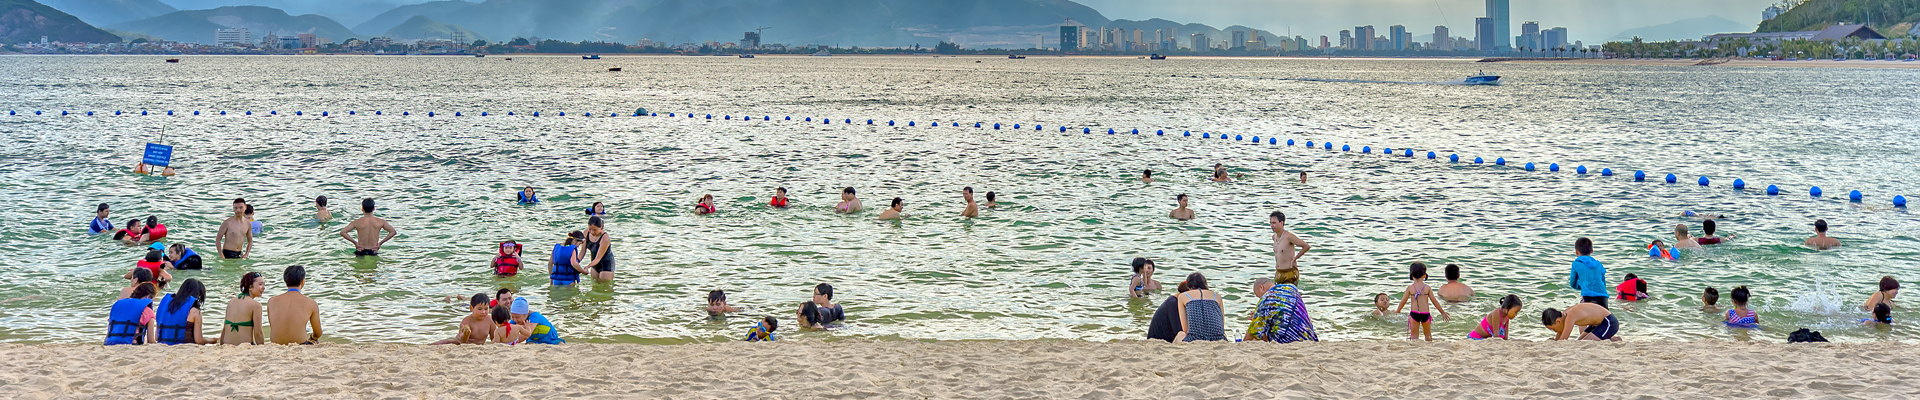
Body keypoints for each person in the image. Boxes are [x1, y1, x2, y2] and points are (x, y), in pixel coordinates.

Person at [1244, 269, 1319, 343]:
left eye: (1258, 296)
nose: (1259, 298)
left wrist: (1257, 317)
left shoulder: (1266, 298)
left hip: (1287, 341)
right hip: (1309, 338)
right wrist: (1261, 317)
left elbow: (1253, 334)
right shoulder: (1291, 289)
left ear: (1261, 287)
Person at [266, 265, 323, 345]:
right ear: (303, 281)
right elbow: (318, 333)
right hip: (300, 344)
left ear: (285, 280)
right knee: (316, 341)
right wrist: (313, 338)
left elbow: (273, 326)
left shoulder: (272, 301)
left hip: (276, 345)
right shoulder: (311, 303)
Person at [1394, 262, 1450, 341]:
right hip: (1425, 314)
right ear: (1424, 275)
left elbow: (1403, 301)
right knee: (1428, 335)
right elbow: (1434, 301)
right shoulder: (1427, 288)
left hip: (1414, 313)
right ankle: (1429, 346)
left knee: (1414, 336)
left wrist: (1398, 311)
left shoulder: (1410, 288)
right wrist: (1442, 312)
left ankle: (1414, 349)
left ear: (1411, 275)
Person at [105, 270, 158, 345]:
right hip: (132, 343)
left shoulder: (118, 306)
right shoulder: (148, 311)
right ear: (148, 297)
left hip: (110, 342)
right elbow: (151, 340)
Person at [1173, 273, 1226, 342]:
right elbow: (1222, 325)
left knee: (1180, 334)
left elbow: (1185, 329)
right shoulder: (1217, 296)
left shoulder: (1183, 296)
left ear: (1188, 285)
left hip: (1194, 339)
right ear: (1205, 284)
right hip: (1218, 338)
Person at [155, 279, 209, 345]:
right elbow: (199, 340)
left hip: (161, 344)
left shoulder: (165, 304)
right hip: (182, 346)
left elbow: (156, 337)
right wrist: (212, 340)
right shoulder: (194, 311)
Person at [219, 272, 266, 345]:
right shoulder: (256, 305)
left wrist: (221, 346)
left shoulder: (231, 302)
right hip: (244, 347)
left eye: (264, 284)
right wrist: (262, 349)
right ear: (250, 287)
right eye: (260, 284)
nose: (263, 287)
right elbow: (258, 333)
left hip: (226, 345)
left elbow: (224, 330)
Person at [1542, 302, 1620, 341]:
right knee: (1579, 341)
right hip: (1595, 325)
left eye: (1553, 329)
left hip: (1609, 322)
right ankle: (1612, 338)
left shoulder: (1570, 315)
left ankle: (1614, 340)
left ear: (1558, 321)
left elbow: (1563, 339)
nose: (1555, 331)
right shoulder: (1563, 316)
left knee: (1586, 342)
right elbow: (1560, 333)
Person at [1568, 237, 1608, 308]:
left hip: (1588, 296)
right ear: (1592, 250)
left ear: (1577, 251)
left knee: (1585, 317)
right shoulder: (1599, 264)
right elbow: (1603, 283)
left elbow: (1573, 283)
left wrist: (1582, 286)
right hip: (1603, 296)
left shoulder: (1576, 263)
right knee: (1604, 317)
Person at [1271, 212, 1310, 276]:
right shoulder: (1274, 237)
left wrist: (1295, 259)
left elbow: (1306, 246)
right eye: (1271, 223)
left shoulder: (1289, 237)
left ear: (1281, 223)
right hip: (1278, 272)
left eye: (1274, 223)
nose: (1272, 225)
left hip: (1289, 272)